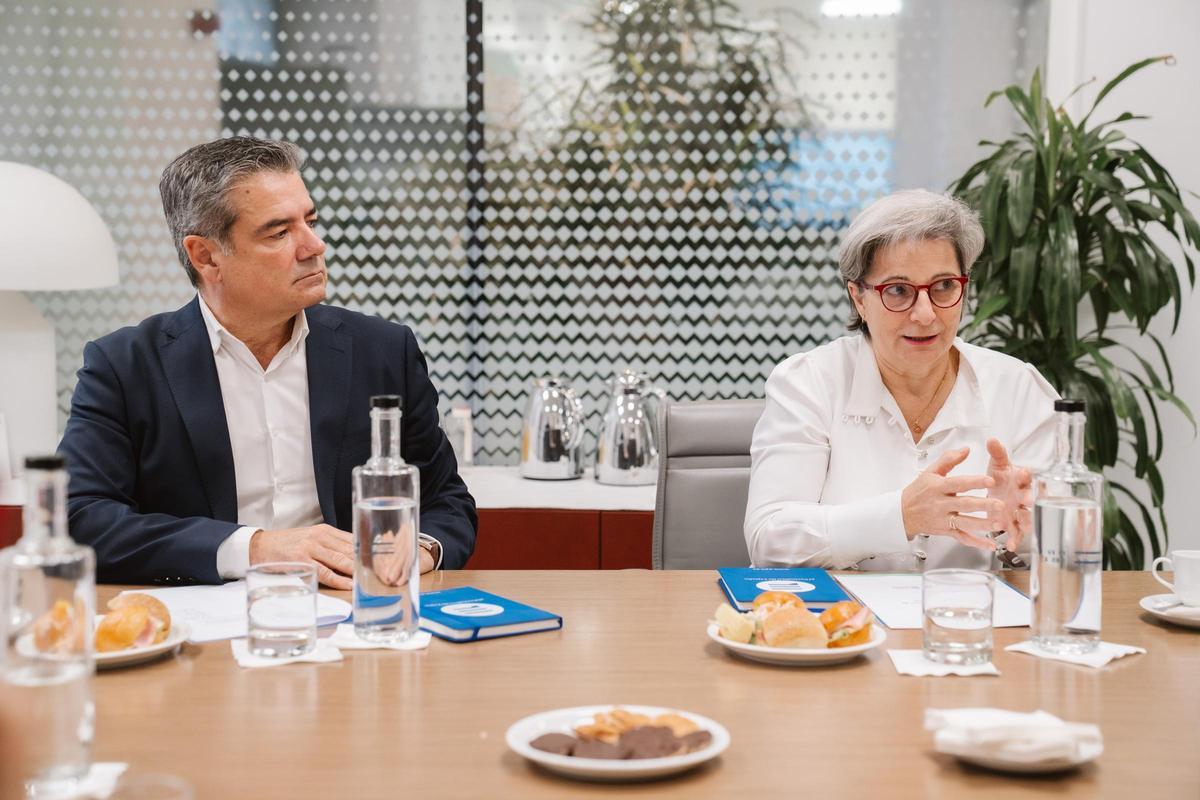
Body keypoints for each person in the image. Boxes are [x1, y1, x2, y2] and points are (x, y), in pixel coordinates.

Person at [59, 136, 477, 587]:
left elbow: (445, 501)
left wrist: (418, 548)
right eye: (279, 233)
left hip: (353, 610)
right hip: (203, 625)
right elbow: (80, 519)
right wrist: (255, 548)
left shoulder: (383, 350)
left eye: (310, 221)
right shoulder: (124, 366)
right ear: (206, 256)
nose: (314, 246)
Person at [744, 189, 1058, 570]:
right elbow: (770, 542)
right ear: (858, 298)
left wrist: (1018, 532)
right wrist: (901, 516)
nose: (925, 314)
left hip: (970, 622)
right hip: (845, 623)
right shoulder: (808, 384)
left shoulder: (1020, 389)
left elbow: (1061, 557)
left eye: (944, 286)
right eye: (898, 291)